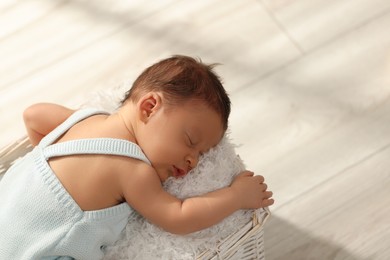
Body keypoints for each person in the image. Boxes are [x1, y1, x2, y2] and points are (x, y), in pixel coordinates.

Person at [0, 55, 274, 260]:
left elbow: (33, 115)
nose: (194, 161)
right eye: (191, 142)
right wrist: (236, 196)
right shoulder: (132, 169)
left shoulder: (85, 118)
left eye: (201, 154)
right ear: (149, 107)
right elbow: (178, 217)